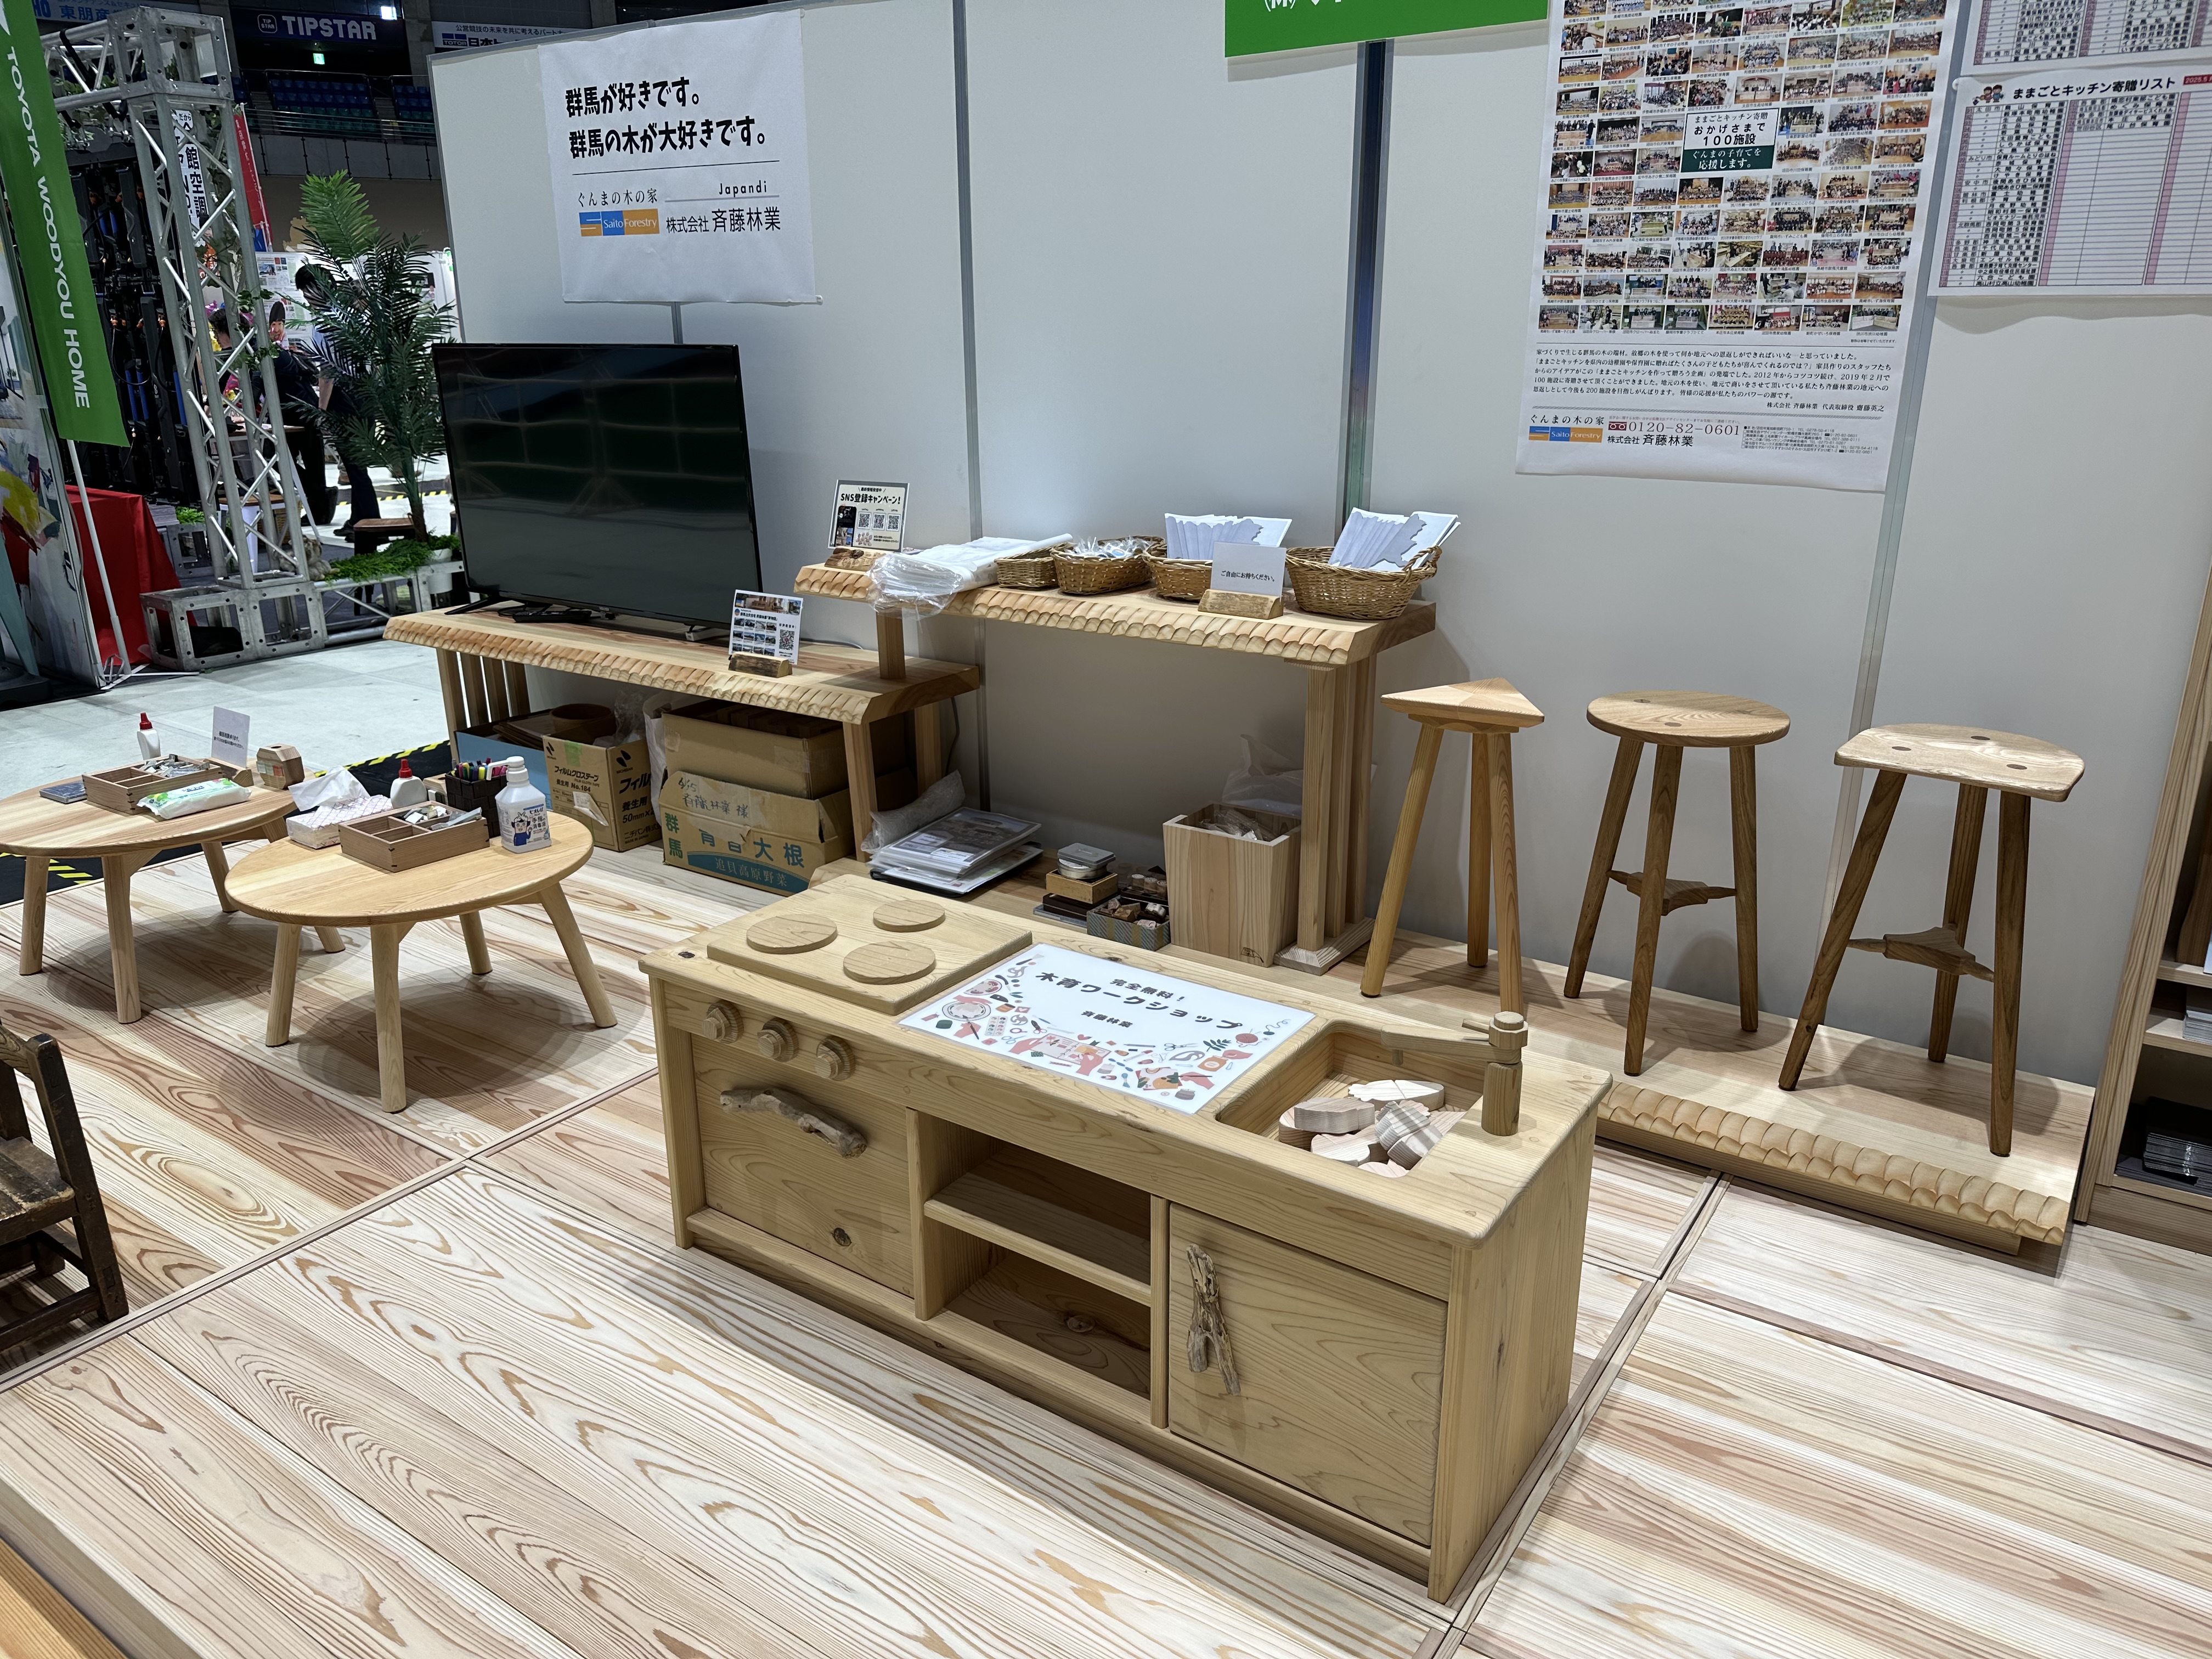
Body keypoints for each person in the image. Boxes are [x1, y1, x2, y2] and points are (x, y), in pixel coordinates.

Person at [294, 264, 378, 531]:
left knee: (354, 464)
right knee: (357, 464)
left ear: (317, 288)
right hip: (365, 392)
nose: (306, 298)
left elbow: (328, 370)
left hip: (344, 396)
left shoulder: (326, 321)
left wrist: (322, 409)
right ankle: (359, 519)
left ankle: (368, 521)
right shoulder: (351, 315)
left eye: (306, 292)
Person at [266, 301, 335, 526]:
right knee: (278, 458)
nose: (277, 329)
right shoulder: (272, 351)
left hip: (303, 411)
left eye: (280, 324)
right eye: (273, 324)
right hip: (290, 414)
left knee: (313, 462)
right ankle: (320, 495)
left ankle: (320, 509)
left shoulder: (285, 351)